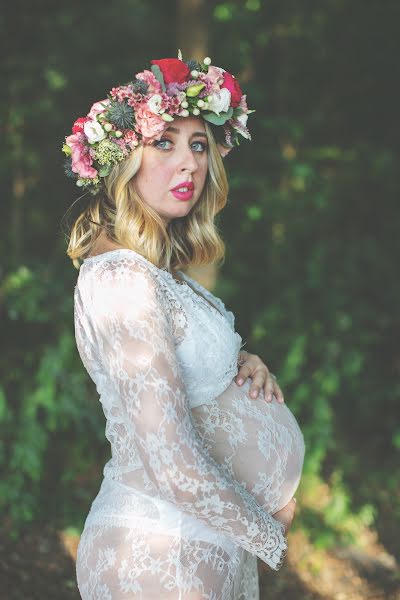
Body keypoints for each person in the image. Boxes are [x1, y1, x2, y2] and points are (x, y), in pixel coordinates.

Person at [64, 51, 305, 599]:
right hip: (160, 553)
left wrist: (242, 365)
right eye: (164, 142)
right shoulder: (122, 280)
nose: (190, 162)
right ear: (124, 159)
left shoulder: (158, 274)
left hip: (200, 547)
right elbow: (168, 458)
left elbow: (189, 377)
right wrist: (271, 533)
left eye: (199, 145)